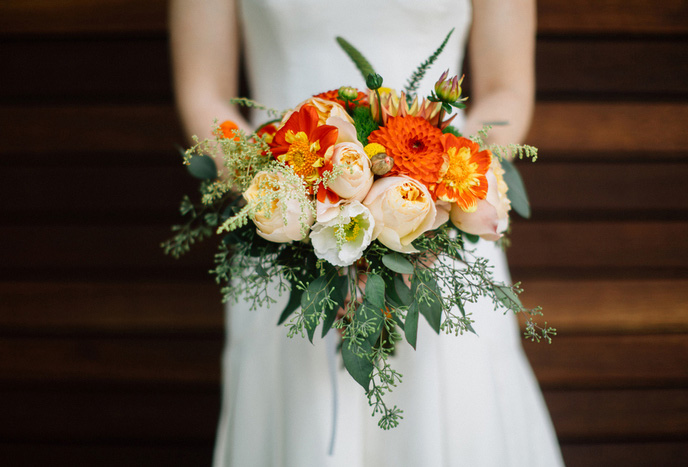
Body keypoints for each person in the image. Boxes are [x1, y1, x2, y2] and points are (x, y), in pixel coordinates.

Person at [170, 0, 565, 465]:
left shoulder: (438, 211)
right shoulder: (282, 209)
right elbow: (204, 93)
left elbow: (506, 91)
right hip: (280, 227)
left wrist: (437, 195)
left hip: (438, 233)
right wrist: (287, 196)